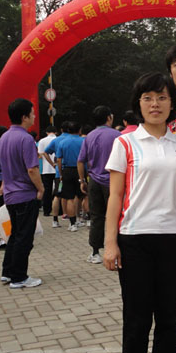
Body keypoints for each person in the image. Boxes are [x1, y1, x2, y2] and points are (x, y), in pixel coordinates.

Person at [103, 73, 176, 353]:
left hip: (174, 239)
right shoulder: (125, 143)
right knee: (137, 323)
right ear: (138, 103)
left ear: (172, 103)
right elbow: (115, 196)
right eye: (148, 98)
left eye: (162, 97)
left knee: (169, 323)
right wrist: (110, 242)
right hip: (135, 240)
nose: (155, 104)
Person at [0, 99, 44, 289]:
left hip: (10, 194)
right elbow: (32, 169)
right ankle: (19, 277)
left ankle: (8, 272)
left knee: (16, 234)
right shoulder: (26, 139)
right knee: (24, 237)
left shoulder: (4, 138)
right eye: (32, 113)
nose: (34, 116)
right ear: (24, 117)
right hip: (25, 194)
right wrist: (41, 188)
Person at [79, 106, 120, 264]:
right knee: (116, 216)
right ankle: (117, 250)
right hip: (114, 182)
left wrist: (82, 180)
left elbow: (80, 161)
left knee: (96, 216)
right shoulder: (117, 135)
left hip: (94, 181)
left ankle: (95, 252)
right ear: (109, 118)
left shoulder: (89, 136)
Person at [54, 122, 84, 232]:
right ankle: (86, 219)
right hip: (80, 170)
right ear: (79, 130)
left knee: (69, 198)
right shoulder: (83, 141)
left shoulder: (63, 142)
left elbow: (59, 159)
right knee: (84, 196)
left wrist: (61, 173)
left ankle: (72, 224)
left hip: (67, 170)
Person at [37, 126, 58, 216]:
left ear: (46, 132)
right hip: (58, 169)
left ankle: (46, 210)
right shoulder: (58, 139)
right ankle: (59, 210)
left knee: (47, 190)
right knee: (58, 190)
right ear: (56, 132)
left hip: (46, 169)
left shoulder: (42, 141)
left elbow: (40, 154)